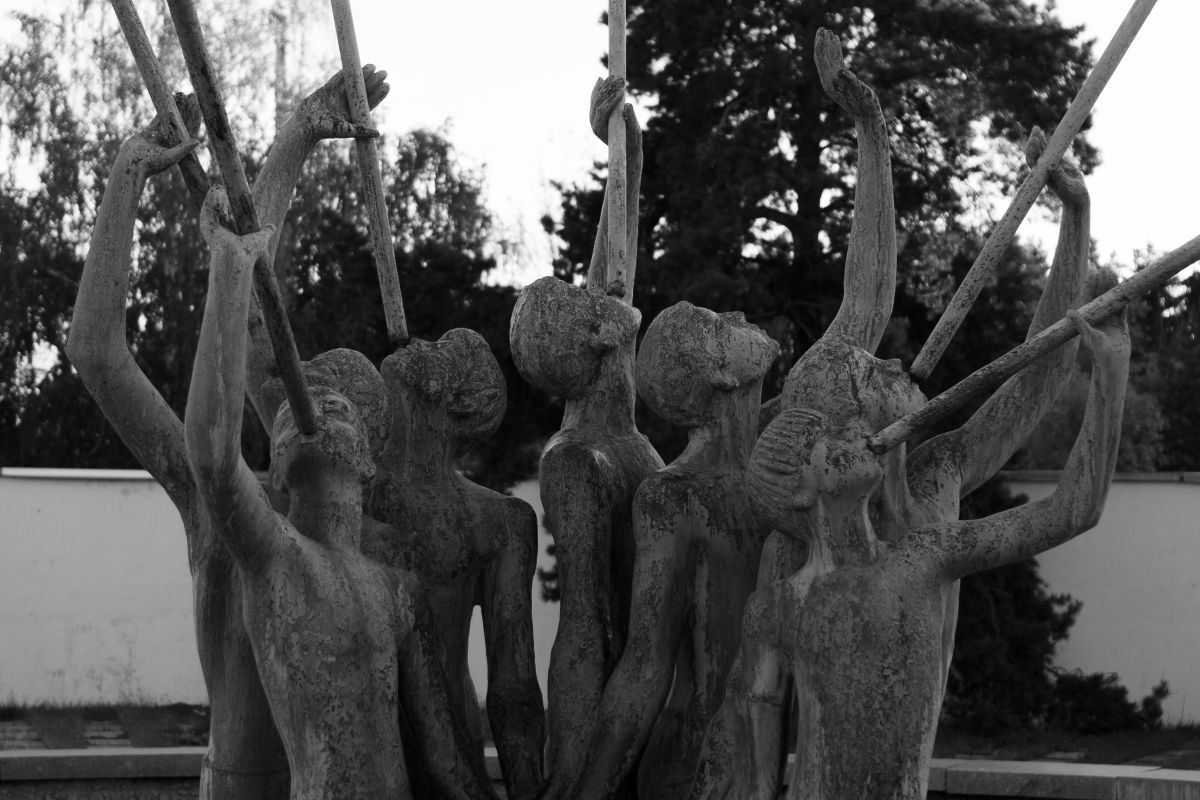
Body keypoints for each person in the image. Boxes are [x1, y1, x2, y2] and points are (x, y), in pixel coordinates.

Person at [66, 66, 386, 800]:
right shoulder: (220, 500)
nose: (299, 399)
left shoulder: (375, 559)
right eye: (295, 390)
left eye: (330, 404)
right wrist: (129, 176)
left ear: (365, 454)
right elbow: (98, 351)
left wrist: (297, 138)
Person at [694, 305, 1127, 800]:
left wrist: (1110, 375)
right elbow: (759, 741)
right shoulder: (775, 608)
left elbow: (1073, 510)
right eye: (831, 437)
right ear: (800, 489)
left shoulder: (924, 555)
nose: (857, 434)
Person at [183, 187, 497, 800]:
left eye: (341, 409)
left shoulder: (399, 592)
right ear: (276, 469)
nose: (319, 409)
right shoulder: (275, 556)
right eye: (298, 413)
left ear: (369, 461)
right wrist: (229, 268)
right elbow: (213, 460)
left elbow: (444, 754)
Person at [554, 301, 778, 800]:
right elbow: (644, 665)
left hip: (759, 761)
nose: (737, 314)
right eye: (720, 325)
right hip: (691, 767)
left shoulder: (781, 471)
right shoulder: (674, 495)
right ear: (721, 374)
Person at [510, 77, 663, 796]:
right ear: (595, 338)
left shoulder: (619, 419)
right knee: (593, 619)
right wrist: (573, 778)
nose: (593, 291)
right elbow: (580, 627)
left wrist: (621, 147)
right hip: (596, 737)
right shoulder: (577, 461)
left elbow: (617, 251)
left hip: (646, 709)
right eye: (581, 303)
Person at [362, 328, 544, 800]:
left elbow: (514, 681)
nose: (420, 343)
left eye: (443, 350)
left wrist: (526, 788)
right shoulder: (346, 491)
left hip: (452, 746)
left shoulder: (498, 520)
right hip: (363, 741)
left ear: (460, 403)